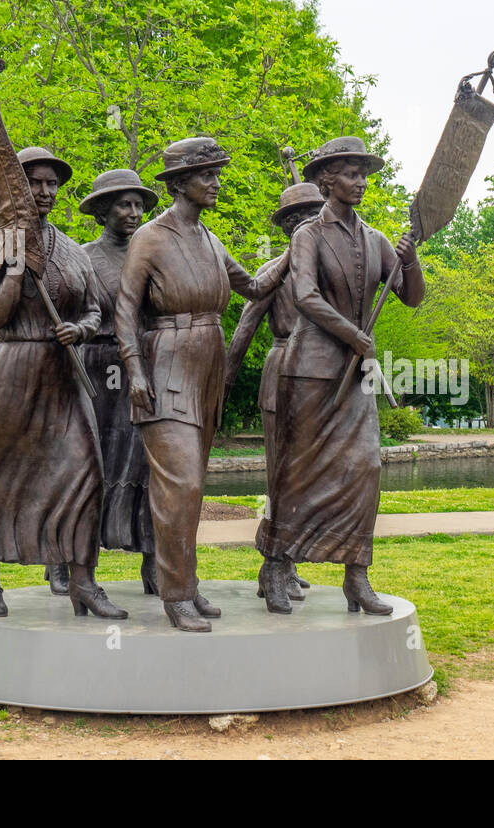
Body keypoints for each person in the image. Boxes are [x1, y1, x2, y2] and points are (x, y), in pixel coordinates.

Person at [116, 137, 288, 632]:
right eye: (206, 174)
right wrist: (134, 372)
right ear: (178, 183)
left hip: (206, 369)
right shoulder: (149, 237)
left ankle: (186, 586)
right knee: (181, 486)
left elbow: (253, 287)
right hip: (165, 365)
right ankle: (174, 595)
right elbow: (125, 311)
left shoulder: (211, 240)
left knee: (191, 488)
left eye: (217, 174)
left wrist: (297, 247)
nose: (216, 183)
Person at [254, 136, 424, 614]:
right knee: (296, 471)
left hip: (356, 375)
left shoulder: (375, 240)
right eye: (351, 173)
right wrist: (353, 334)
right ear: (327, 180)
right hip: (309, 369)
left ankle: (356, 574)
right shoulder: (306, 235)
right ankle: (276, 562)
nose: (361, 182)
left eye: (364, 174)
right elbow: (305, 296)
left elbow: (413, 298)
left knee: (364, 468)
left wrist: (410, 260)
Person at [0, 146, 126, 620]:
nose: (45, 191)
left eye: (52, 183)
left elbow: (96, 310)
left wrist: (80, 329)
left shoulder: (73, 251)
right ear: (15, 185)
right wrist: (15, 272)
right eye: (35, 182)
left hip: (64, 371)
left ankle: (83, 580)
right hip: (13, 368)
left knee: (86, 470)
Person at [224, 181, 326, 603]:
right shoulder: (274, 270)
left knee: (310, 477)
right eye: (297, 220)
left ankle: (290, 558)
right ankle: (275, 564)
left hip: (324, 376)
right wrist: (224, 383)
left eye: (313, 216)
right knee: (281, 477)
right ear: (286, 227)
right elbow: (245, 327)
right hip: (284, 370)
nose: (308, 225)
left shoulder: (330, 267)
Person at [79, 169, 161, 594]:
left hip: (144, 367)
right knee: (91, 466)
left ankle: (153, 561)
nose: (134, 213)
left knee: (149, 466)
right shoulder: (84, 257)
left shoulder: (150, 252)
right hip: (98, 367)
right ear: (101, 210)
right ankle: (71, 562)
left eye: (138, 205)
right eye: (123, 204)